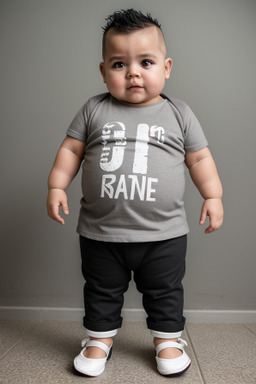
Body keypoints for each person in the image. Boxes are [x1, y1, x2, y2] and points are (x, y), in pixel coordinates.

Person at [47, 9, 223, 378]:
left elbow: (200, 157)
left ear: (167, 66)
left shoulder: (178, 113)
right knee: (100, 289)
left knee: (165, 290)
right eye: (118, 63)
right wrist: (57, 185)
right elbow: (71, 150)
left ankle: (168, 340)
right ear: (103, 71)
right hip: (100, 232)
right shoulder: (94, 109)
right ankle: (99, 339)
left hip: (164, 234)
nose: (133, 72)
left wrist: (213, 195)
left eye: (146, 62)